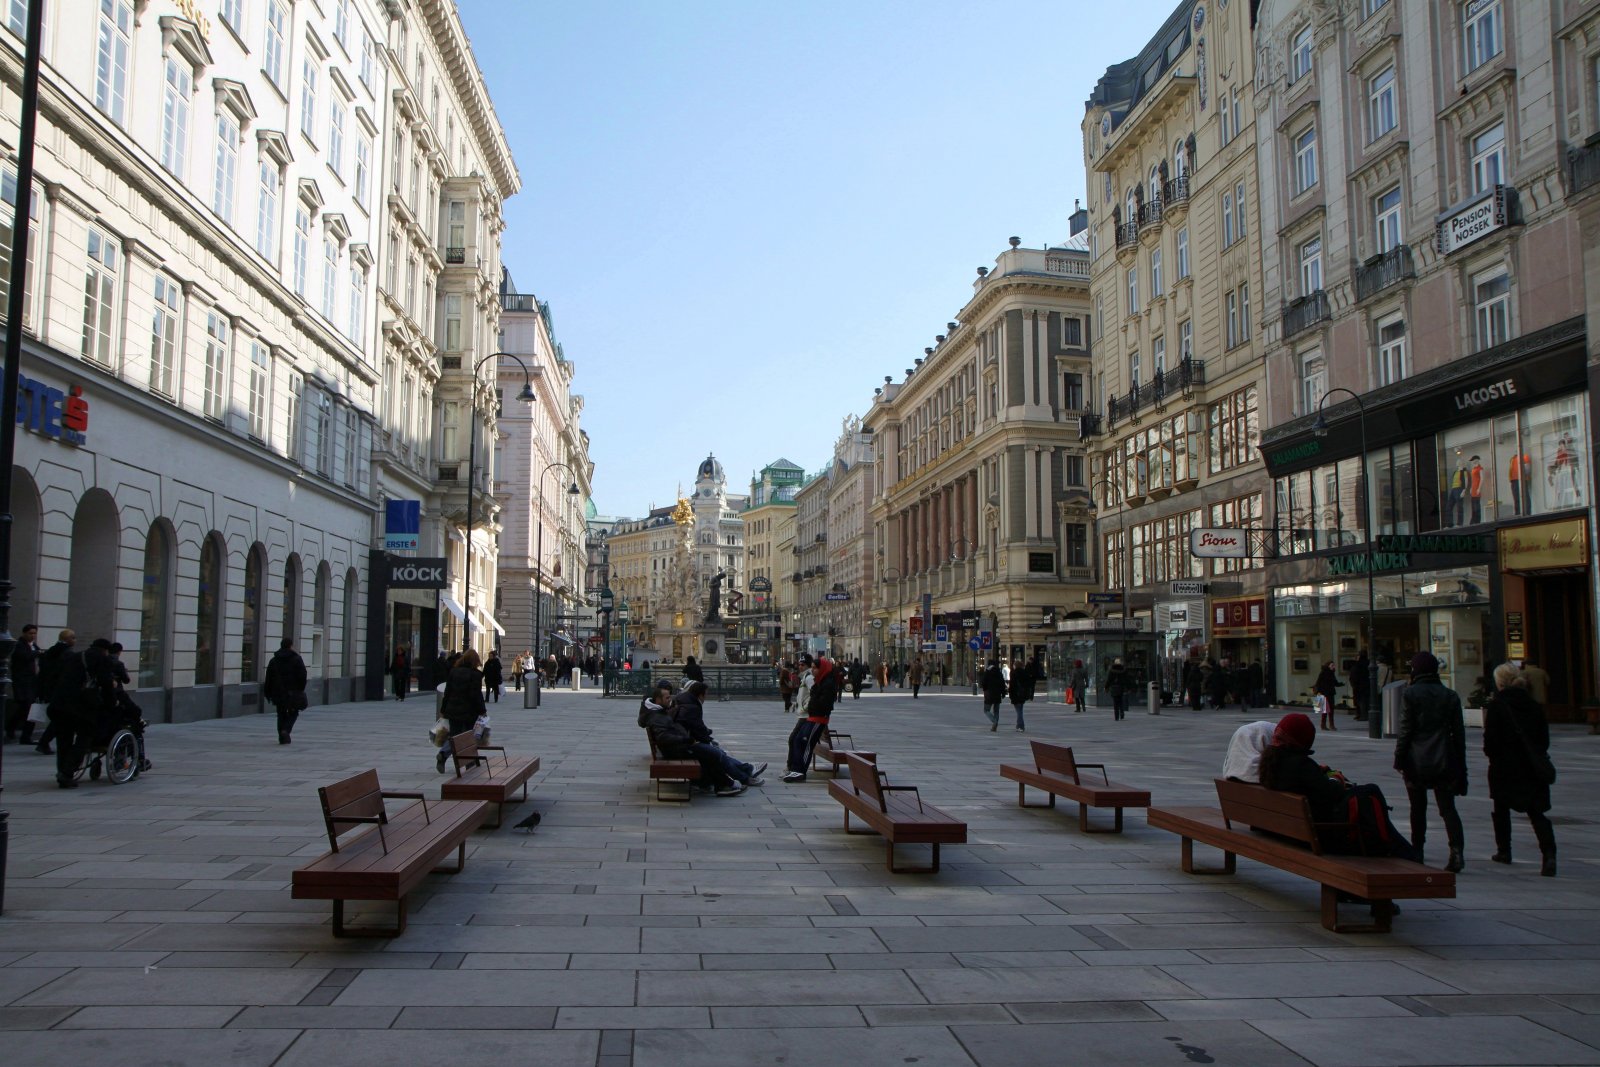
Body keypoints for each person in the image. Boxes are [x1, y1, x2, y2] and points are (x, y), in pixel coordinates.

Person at [1260, 712, 1419, 861]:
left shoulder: (1270, 763)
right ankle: (1405, 852)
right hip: (1321, 835)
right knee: (1371, 791)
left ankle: (1402, 849)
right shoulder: (1301, 765)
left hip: (1291, 833)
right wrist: (1336, 779)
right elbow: (1334, 793)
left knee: (1366, 793)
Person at [1394, 651, 1467, 872]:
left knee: (1418, 808)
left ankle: (1418, 850)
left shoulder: (1411, 694)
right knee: (1448, 808)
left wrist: (1399, 758)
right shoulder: (1450, 695)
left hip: (1417, 758)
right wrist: (1461, 765)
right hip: (1445, 757)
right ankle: (1456, 851)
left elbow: (1405, 730)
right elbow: (1459, 735)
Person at [1483, 664, 1557, 875]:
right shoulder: (1534, 705)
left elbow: (1490, 742)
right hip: (1531, 768)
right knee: (1536, 813)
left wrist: (1494, 755)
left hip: (1504, 767)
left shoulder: (1497, 705)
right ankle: (1549, 854)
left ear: (1500, 682)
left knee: (1501, 809)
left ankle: (1504, 851)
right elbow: (1544, 740)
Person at [638, 681, 739, 795]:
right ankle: (724, 785)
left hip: (677, 747)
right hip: (676, 750)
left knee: (709, 752)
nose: (670, 700)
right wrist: (685, 739)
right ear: (658, 700)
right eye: (667, 698)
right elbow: (663, 737)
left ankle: (709, 783)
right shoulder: (657, 716)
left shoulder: (658, 711)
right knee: (713, 754)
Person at [47, 637, 119, 788]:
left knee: (63, 740)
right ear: (105, 650)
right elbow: (106, 684)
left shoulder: (74, 656)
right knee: (84, 738)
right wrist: (112, 704)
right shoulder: (102, 660)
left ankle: (62, 772)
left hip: (59, 704)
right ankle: (67, 772)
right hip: (81, 706)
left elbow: (54, 677)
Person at [673, 680, 765, 790]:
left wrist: (707, 736)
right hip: (686, 745)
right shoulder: (691, 707)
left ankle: (748, 771)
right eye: (706, 695)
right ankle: (745, 776)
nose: (706, 698)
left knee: (719, 753)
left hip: (685, 742)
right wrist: (708, 739)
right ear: (700, 695)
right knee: (718, 754)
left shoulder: (686, 702)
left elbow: (695, 727)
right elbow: (697, 728)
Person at [782, 655, 840, 782]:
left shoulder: (827, 683)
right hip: (813, 717)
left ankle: (800, 771)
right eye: (812, 667)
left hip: (818, 718)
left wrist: (810, 706)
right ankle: (795, 769)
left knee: (806, 742)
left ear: (822, 669)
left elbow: (824, 702)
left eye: (815, 668)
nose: (812, 670)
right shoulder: (820, 680)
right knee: (798, 739)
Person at [437, 649, 487, 772]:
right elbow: (476, 695)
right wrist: (482, 710)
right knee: (469, 736)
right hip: (469, 711)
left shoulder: (454, 672)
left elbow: (447, 692)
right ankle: (469, 761)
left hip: (453, 710)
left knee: (455, 736)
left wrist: (443, 709)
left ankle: (443, 754)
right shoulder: (475, 675)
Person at [33, 628, 76, 755]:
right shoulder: (67, 653)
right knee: (61, 718)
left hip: (50, 688)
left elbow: (43, 672)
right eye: (73, 638)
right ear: (67, 639)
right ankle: (44, 742)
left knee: (58, 718)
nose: (75, 640)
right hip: (62, 690)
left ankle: (44, 742)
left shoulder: (50, 651)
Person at [262, 638, 308, 745]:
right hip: (292, 691)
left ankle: (282, 738)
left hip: (278, 692)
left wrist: (267, 692)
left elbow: (268, 678)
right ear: (291, 646)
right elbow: (303, 675)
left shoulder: (274, 660)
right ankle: (286, 730)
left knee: (281, 713)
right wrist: (300, 689)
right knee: (294, 712)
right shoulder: (296, 659)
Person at [5, 623, 39, 745]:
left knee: (26, 709)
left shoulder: (33, 645)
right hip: (22, 682)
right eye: (30, 633)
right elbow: (25, 657)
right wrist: (38, 653)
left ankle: (18, 732)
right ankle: (17, 732)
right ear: (24, 633)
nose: (33, 635)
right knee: (26, 708)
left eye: (34, 633)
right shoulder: (19, 645)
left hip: (32, 682)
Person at [979, 658, 1007, 731]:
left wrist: (985, 690)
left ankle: (994, 721)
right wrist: (1003, 693)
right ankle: (995, 724)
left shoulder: (987, 672)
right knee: (996, 711)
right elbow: (1002, 683)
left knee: (986, 710)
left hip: (989, 694)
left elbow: (984, 683)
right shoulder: (999, 672)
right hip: (997, 694)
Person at [1008, 658, 1035, 732]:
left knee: (1019, 711)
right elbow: (1028, 684)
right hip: (1023, 694)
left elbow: (1012, 685)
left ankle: (1020, 726)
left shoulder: (1014, 673)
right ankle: (1019, 725)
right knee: (1020, 710)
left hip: (1016, 694)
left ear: (1015, 666)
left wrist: (1010, 695)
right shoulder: (1024, 673)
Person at [1313, 661, 1341, 731]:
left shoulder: (1332, 673)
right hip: (1324, 694)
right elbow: (1318, 683)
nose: (1333, 667)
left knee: (1331, 709)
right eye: (1332, 665)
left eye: (1334, 665)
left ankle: (1331, 725)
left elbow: (1335, 682)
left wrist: (1340, 684)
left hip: (1330, 693)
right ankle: (1323, 725)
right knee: (1325, 710)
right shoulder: (1323, 673)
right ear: (1328, 666)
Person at [1350, 650, 1371, 721]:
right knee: (1365, 701)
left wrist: (1354, 685)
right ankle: (1363, 715)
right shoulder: (1369, 663)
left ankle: (1362, 715)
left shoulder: (1358, 665)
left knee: (1361, 701)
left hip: (1359, 686)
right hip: (1366, 685)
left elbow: (1354, 676)